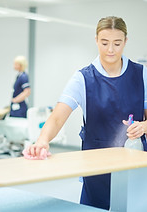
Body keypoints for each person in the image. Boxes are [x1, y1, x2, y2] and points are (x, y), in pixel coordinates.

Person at [26, 16, 147, 210]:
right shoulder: (83, 78)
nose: (110, 50)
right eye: (104, 42)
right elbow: (57, 118)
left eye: (117, 43)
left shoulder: (141, 74)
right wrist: (42, 140)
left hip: (135, 165)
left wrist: (145, 125)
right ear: (96, 40)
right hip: (96, 166)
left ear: (125, 41)